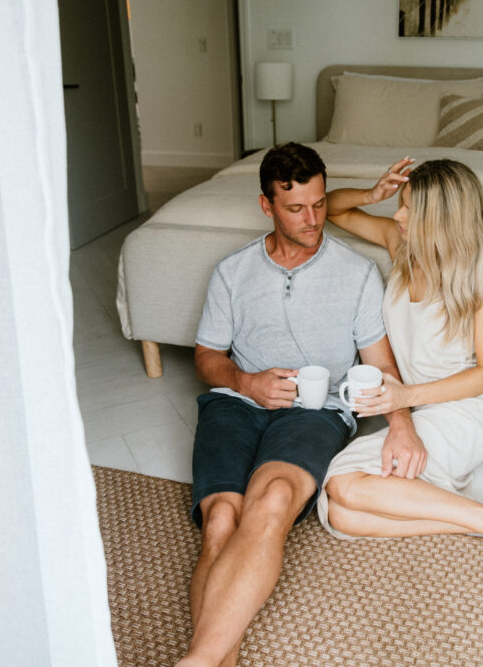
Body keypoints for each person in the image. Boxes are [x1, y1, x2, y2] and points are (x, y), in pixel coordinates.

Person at [175, 143, 421, 667]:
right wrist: (245, 381)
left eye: (318, 204)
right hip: (235, 403)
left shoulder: (356, 273)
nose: (312, 220)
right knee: (221, 520)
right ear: (266, 205)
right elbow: (206, 355)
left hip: (316, 411)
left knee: (270, 505)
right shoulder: (231, 272)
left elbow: (381, 364)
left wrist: (401, 423)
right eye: (295, 208)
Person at [316, 157, 483, 575]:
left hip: (459, 414)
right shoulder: (400, 246)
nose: (396, 215)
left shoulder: (479, 275)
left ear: (441, 219)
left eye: (409, 208)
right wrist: (372, 193)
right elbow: (327, 209)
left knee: (340, 486)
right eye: (399, 203)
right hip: (415, 410)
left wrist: (405, 397)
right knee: (342, 516)